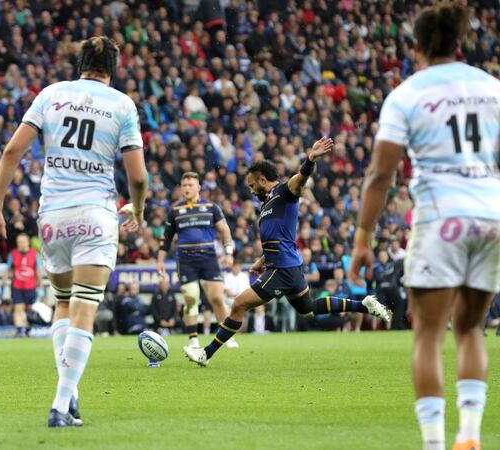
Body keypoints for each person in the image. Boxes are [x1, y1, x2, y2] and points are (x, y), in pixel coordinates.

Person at [347, 4, 500, 449]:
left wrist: (363, 238)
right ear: (461, 42)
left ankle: (434, 444)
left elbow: (380, 174)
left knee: (429, 335)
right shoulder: (492, 88)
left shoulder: (407, 95)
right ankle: (469, 435)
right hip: (490, 218)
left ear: (415, 45)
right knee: (471, 329)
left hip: (440, 219)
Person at [0, 36, 147, 427]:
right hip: (96, 214)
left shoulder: (51, 94)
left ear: (80, 64)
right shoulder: (122, 104)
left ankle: (69, 394)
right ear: (113, 68)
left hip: (53, 216)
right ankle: (60, 404)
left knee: (62, 302)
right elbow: (138, 176)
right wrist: (138, 208)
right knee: (85, 306)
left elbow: (11, 151)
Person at [184, 139, 392, 367]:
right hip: (285, 264)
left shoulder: (284, 192)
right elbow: (279, 236)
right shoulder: (267, 205)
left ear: (263, 180)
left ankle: (206, 354)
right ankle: (364, 305)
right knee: (308, 308)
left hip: (282, 268)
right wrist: (263, 259)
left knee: (239, 304)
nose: (251, 191)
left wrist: (310, 159)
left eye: (252, 185)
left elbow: (300, 179)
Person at [156, 172, 238, 348]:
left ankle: (227, 336)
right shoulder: (175, 211)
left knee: (217, 299)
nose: (186, 188)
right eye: (184, 185)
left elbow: (225, 231)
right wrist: (160, 261)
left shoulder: (211, 207)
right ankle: (193, 338)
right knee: (191, 298)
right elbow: (166, 238)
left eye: (190, 185)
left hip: (208, 258)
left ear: (198, 187)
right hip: (186, 260)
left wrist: (228, 253)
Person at [1, 233, 42, 336]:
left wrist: (40, 283)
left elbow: (38, 270)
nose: (21, 244)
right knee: (18, 307)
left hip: (31, 286)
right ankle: (20, 330)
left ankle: (27, 327)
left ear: (28, 242)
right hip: (17, 286)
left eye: (23, 242)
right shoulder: (13, 254)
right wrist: (4, 281)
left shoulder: (34, 254)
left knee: (29, 309)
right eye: (19, 242)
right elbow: (8, 268)